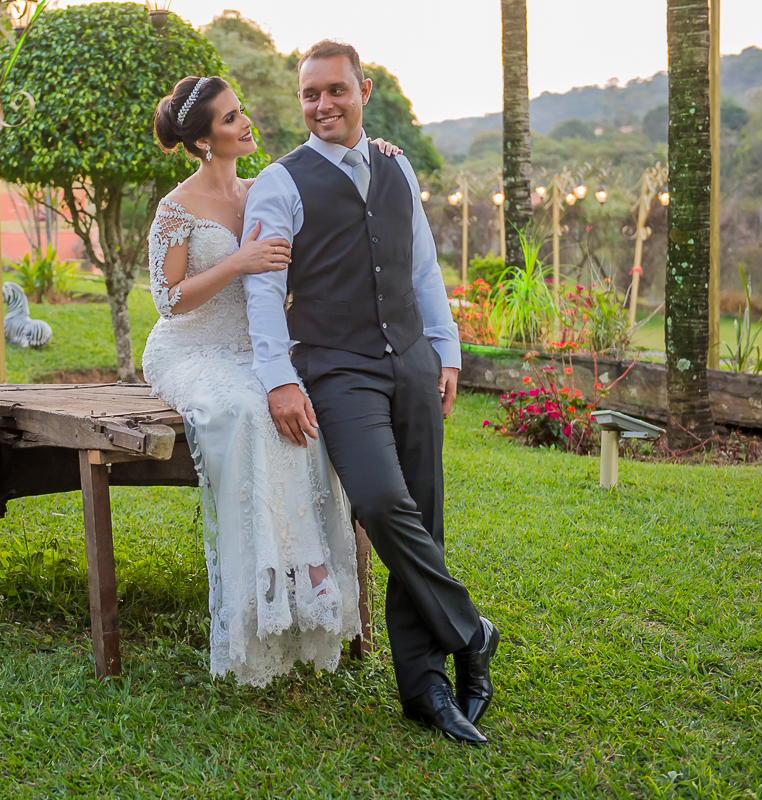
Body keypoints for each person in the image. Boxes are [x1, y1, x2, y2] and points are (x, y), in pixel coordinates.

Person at [242, 41, 500, 745]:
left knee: (424, 514)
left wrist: (445, 352)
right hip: (336, 367)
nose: (323, 104)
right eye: (310, 94)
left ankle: (425, 688)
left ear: (364, 92)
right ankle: (472, 632)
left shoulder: (396, 166)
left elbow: (423, 268)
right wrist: (279, 378)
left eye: (336, 90)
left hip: (412, 361)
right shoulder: (280, 182)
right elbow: (262, 291)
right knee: (382, 503)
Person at [142, 76, 404, 687]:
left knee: (308, 409)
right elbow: (167, 301)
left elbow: (328, 171)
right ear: (204, 141)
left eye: (242, 112)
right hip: (191, 349)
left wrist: (378, 150)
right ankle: (265, 588)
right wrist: (238, 261)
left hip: (255, 348)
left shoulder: (264, 187)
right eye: (231, 118)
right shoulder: (176, 209)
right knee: (252, 412)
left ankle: (308, 577)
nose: (246, 123)